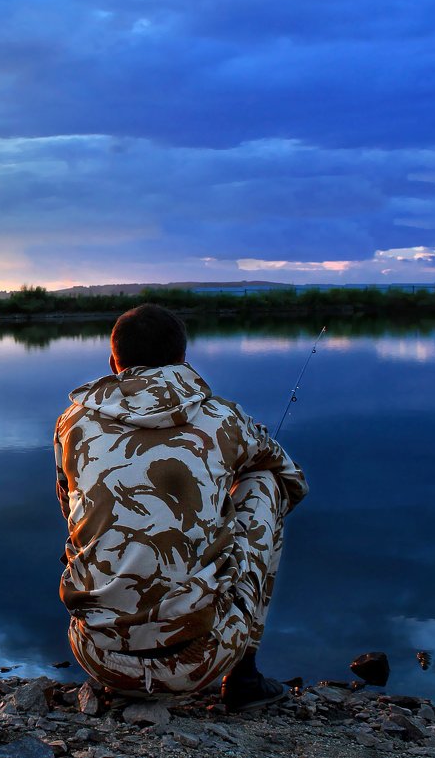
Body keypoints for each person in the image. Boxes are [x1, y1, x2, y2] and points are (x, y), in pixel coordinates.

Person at [54, 303, 307, 712]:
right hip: (201, 661)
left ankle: (120, 631)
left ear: (113, 361)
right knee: (266, 482)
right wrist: (219, 508)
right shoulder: (222, 417)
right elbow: (291, 477)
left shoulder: (73, 422)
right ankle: (243, 676)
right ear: (182, 359)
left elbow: (70, 508)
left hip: (96, 655)